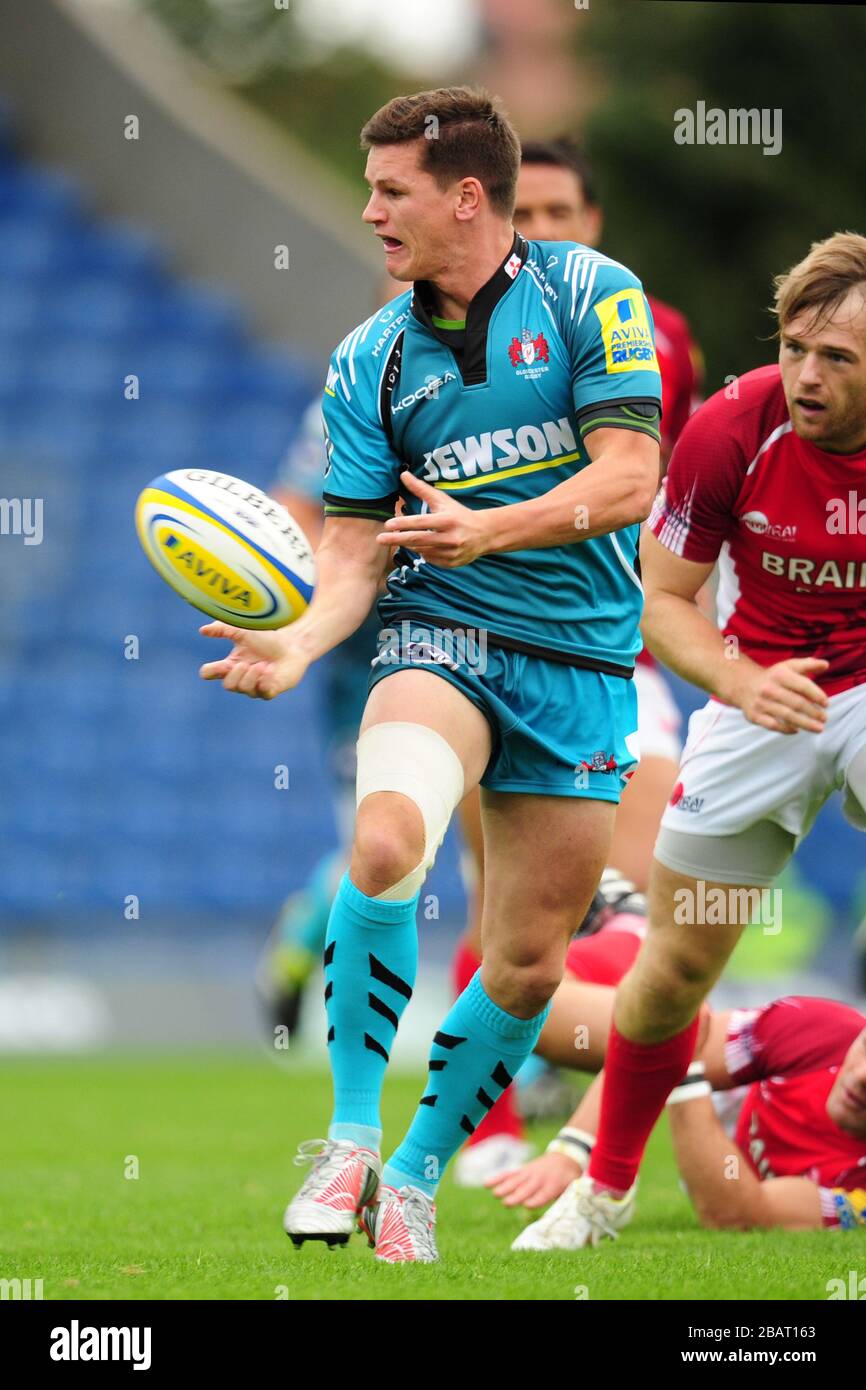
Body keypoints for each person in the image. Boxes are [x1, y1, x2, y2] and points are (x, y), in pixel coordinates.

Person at [198, 85, 661, 1262]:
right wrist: (298, 641)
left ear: (465, 195)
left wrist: (488, 527)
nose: (368, 211)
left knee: (524, 956)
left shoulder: (589, 296)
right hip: (438, 636)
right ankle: (351, 1136)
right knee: (385, 841)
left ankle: (410, 1174)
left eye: (389, 190)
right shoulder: (368, 358)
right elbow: (352, 550)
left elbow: (626, 479)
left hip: (579, 662)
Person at [565, 230, 866, 1248]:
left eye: (836, 358)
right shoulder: (729, 428)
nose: (804, 375)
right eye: (792, 348)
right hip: (754, 700)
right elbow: (658, 602)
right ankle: (600, 1187)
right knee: (673, 975)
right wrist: (741, 681)